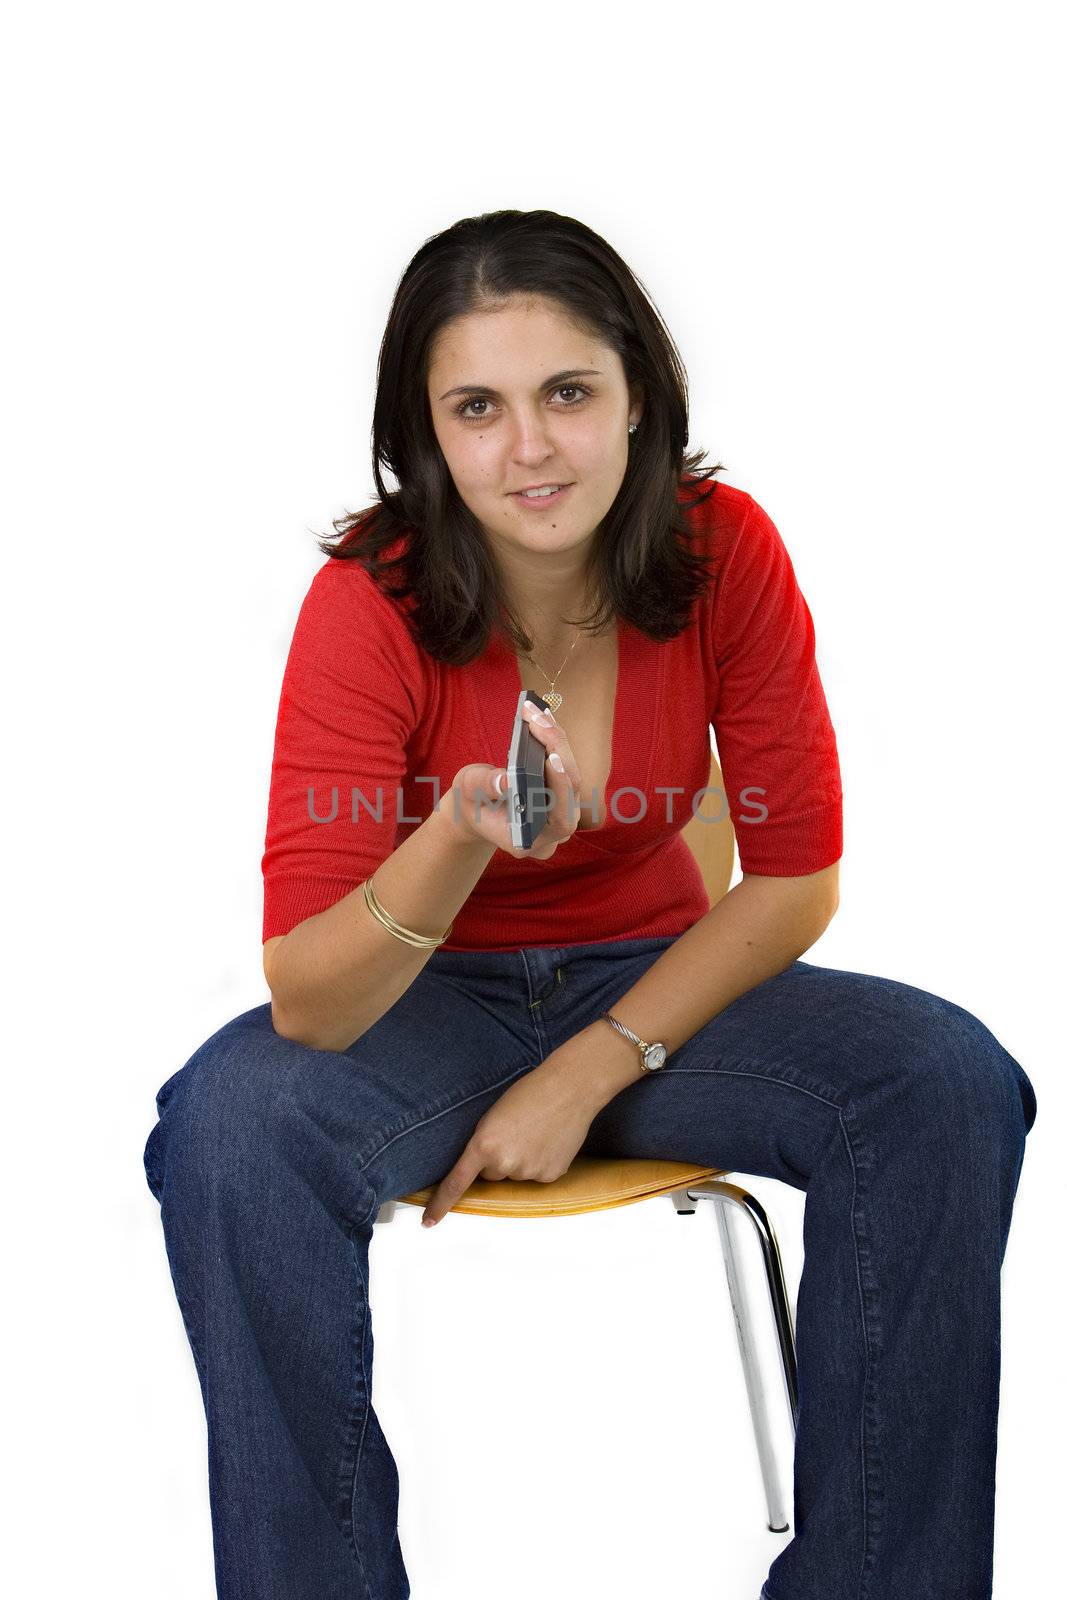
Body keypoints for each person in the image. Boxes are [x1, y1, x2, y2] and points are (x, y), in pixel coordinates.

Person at [142, 208, 1037, 1600]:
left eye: (567, 393)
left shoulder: (723, 548)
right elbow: (311, 1001)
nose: (531, 449)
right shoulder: (366, 601)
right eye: (477, 407)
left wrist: (589, 1066)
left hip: (658, 987)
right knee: (228, 1126)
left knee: (942, 1080)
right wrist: (453, 836)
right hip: (418, 1013)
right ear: (425, 432)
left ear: (639, 394)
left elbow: (796, 879)